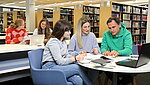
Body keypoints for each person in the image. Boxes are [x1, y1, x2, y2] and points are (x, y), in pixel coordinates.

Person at [42, 19, 92, 85]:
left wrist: (77, 54)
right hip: (50, 68)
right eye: (68, 31)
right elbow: (60, 61)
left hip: (58, 66)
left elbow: (66, 55)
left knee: (78, 80)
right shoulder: (53, 42)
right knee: (76, 67)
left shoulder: (63, 42)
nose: (70, 33)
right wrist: (75, 58)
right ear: (61, 31)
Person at [101, 17, 133, 85]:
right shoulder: (106, 34)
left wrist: (118, 52)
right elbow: (103, 47)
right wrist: (105, 51)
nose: (112, 30)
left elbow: (128, 50)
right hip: (113, 61)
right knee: (105, 68)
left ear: (119, 25)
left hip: (125, 60)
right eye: (109, 28)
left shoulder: (127, 34)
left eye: (113, 27)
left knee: (128, 74)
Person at [68, 17, 100, 85]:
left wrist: (96, 50)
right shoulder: (75, 37)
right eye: (85, 27)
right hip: (80, 62)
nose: (87, 29)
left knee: (95, 70)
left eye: (88, 26)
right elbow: (69, 52)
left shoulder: (92, 35)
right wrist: (78, 53)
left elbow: (98, 50)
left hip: (91, 61)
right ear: (80, 28)